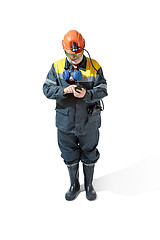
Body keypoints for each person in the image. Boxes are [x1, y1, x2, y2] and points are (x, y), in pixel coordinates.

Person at [43, 30, 108, 201]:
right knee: (68, 154)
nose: (74, 59)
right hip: (65, 122)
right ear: (64, 50)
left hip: (89, 122)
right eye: (70, 55)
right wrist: (63, 90)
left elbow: (103, 90)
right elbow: (46, 89)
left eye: (78, 54)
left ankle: (89, 185)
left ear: (83, 49)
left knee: (89, 152)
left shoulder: (94, 66)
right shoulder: (56, 67)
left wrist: (87, 94)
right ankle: (74, 185)